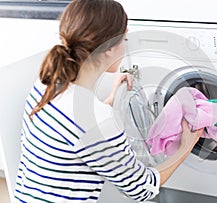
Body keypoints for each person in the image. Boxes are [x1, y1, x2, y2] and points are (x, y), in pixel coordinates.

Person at [14, 0, 202, 202]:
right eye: (125, 39)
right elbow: (142, 188)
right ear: (109, 49)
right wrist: (186, 147)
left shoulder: (46, 83)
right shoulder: (97, 121)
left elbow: (75, 134)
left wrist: (112, 99)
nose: (126, 45)